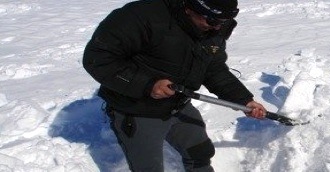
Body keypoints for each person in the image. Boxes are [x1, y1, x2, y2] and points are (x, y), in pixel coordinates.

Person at [82, 0, 267, 171]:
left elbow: (213, 69)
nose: (218, 26)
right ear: (189, 8)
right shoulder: (141, 16)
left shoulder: (214, 27)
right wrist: (148, 85)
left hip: (179, 102)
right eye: (212, 20)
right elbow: (97, 58)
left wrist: (244, 100)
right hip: (137, 109)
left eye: (226, 21)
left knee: (200, 153)